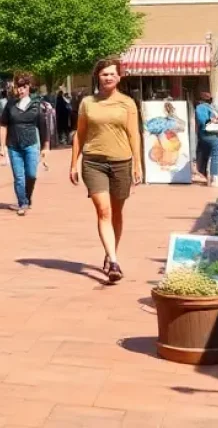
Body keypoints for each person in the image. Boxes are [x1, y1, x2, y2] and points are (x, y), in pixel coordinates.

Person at [69, 58, 142, 283]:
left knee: (117, 212)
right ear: (97, 77)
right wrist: (73, 163)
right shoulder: (88, 103)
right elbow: (79, 134)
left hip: (121, 162)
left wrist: (138, 164)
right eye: (104, 74)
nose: (108, 77)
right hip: (94, 162)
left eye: (112, 74)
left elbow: (134, 134)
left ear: (119, 77)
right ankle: (113, 261)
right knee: (104, 211)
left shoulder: (127, 103)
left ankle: (111, 253)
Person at [0, 74, 50, 215]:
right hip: (13, 146)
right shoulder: (10, 105)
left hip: (31, 144)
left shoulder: (36, 105)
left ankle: (27, 198)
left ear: (29, 88)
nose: (20, 90)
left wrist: (46, 146)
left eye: (24, 87)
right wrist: (2, 147)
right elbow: (3, 125)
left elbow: (43, 127)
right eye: (18, 87)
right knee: (19, 177)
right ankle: (23, 203)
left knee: (31, 175)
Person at [194, 91, 218, 186]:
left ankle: (206, 176)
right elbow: (202, 120)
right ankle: (214, 177)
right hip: (207, 133)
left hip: (207, 133)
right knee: (217, 148)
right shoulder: (202, 107)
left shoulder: (209, 107)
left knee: (205, 153)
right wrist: (212, 120)